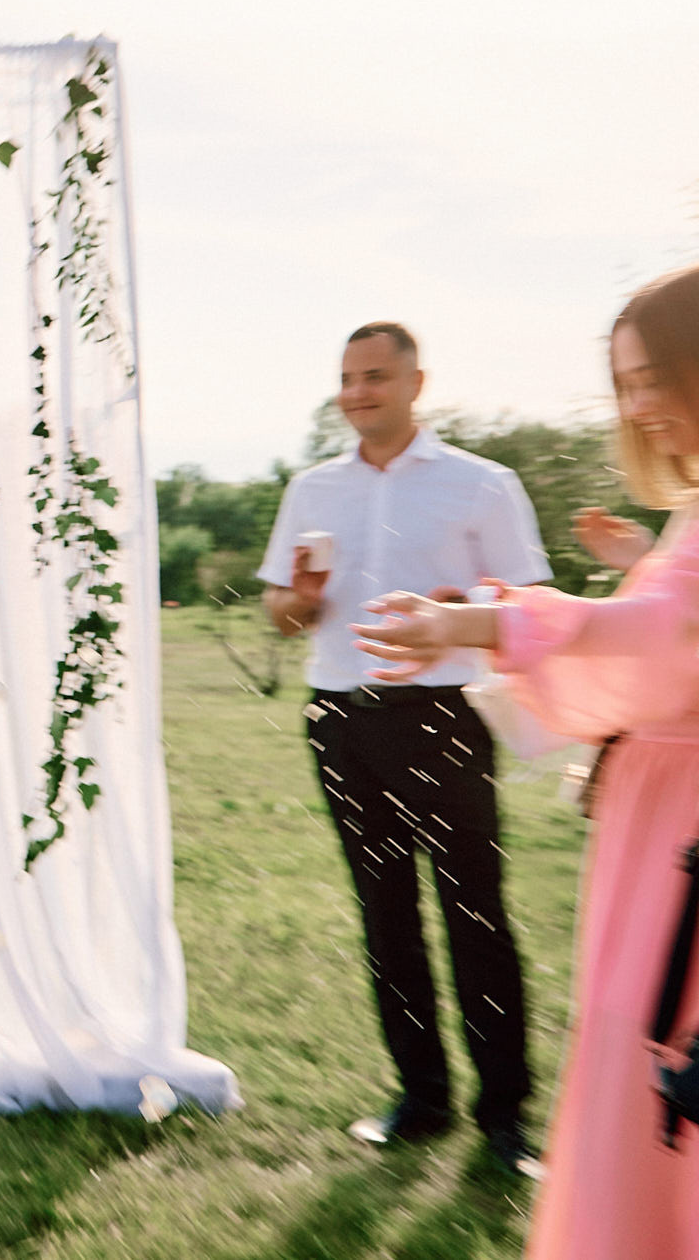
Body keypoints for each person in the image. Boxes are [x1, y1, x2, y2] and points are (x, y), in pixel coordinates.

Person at [354, 264, 699, 1258]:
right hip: (654, 819)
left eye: (654, 378)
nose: (637, 405)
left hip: (686, 833)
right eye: (623, 383)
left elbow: (670, 633)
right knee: (634, 1042)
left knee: (658, 1044)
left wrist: (472, 621)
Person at [256, 321, 548, 1174]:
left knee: (475, 915)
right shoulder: (311, 489)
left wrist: (465, 607)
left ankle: (505, 1118)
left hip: (444, 717)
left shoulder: (482, 486)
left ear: (417, 383)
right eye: (347, 378)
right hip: (341, 718)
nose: (357, 393)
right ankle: (419, 1101)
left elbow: (526, 605)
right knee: (385, 918)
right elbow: (279, 611)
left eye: (375, 376)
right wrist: (300, 601)